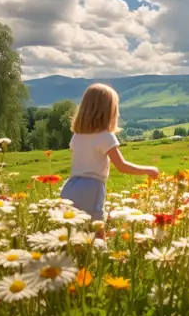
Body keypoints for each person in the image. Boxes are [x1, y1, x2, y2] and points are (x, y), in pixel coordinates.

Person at [61, 83, 159, 225]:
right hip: (92, 188)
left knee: (74, 233)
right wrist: (148, 170)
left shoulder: (77, 135)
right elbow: (122, 166)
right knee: (96, 232)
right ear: (109, 112)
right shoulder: (105, 136)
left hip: (70, 187)